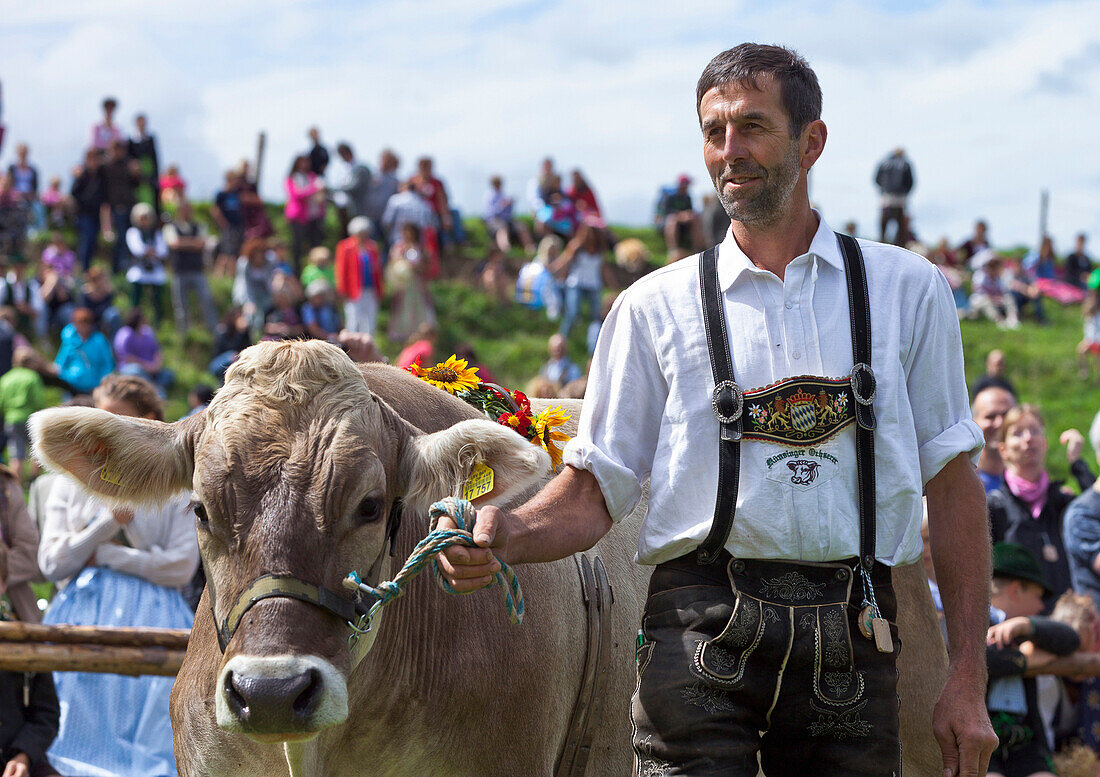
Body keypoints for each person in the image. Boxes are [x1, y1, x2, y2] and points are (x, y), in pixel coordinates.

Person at [437, 43, 997, 777]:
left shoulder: (909, 290)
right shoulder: (650, 307)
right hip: (698, 628)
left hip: (853, 632)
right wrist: (506, 530)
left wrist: (967, 678)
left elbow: (952, 488)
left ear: (812, 140)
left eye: (753, 127)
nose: (729, 151)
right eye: (713, 131)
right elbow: (595, 487)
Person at [38, 374, 198, 777]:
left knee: (154, 721)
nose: (99, 431)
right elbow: (53, 563)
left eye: (114, 420)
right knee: (75, 712)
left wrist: (109, 555)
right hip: (82, 613)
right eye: (97, 416)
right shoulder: (66, 483)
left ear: (145, 422)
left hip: (157, 616)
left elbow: (180, 565)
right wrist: (107, 522)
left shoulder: (179, 486)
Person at [986, 542, 1078, 777]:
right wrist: (1024, 660)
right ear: (1016, 590)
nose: (1041, 606)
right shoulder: (974, 622)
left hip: (1026, 745)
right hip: (983, 741)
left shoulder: (1028, 628)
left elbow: (1070, 639)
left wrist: (1028, 625)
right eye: (1038, 596)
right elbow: (986, 660)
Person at [988, 405, 1075, 610]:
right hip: (1014, 623)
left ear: (1045, 443)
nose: (1028, 438)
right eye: (1018, 433)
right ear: (1003, 449)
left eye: (1035, 431)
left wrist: (1077, 465)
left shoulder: (1062, 502)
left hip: (1064, 622)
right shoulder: (993, 507)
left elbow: (1093, 516)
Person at [0, 487, 61, 777]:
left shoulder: (24, 641)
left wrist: (24, 755)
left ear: (3, 585)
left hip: (17, 760)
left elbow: (46, 713)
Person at [163, 199, 217, 332]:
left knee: (207, 300)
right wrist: (193, 243)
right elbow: (174, 244)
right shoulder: (171, 227)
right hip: (179, 271)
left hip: (197, 270)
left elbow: (202, 243)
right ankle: (184, 333)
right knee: (181, 306)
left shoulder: (198, 226)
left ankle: (214, 330)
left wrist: (184, 243)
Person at [552, 222, 608, 341]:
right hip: (576, 283)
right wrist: (552, 270)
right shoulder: (576, 247)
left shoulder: (600, 250)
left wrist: (614, 286)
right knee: (572, 313)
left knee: (596, 317)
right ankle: (562, 340)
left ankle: (595, 341)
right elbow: (564, 261)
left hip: (593, 285)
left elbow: (604, 269)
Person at [0, 347, 45, 484]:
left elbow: (1, 402)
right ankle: (34, 481)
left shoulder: (6, 378)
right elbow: (38, 400)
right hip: (30, 419)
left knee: (16, 453)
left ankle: (17, 484)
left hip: (11, 419)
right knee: (36, 449)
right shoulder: (32, 377)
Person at [385, 222, 436, 343]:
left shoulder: (421, 248)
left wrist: (417, 267)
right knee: (403, 309)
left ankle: (421, 334)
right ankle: (403, 337)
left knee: (421, 308)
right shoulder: (399, 247)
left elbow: (427, 265)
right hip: (404, 284)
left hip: (418, 283)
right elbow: (393, 262)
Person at [334, 217, 384, 335]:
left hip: (370, 290)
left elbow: (378, 270)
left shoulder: (372, 247)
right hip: (353, 291)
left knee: (370, 321)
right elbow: (341, 269)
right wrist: (342, 290)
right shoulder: (345, 246)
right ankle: (351, 350)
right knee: (353, 321)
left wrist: (380, 289)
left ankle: (368, 348)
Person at [50, 307, 114, 395]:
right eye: (79, 323)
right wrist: (68, 376)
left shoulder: (99, 340)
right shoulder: (70, 341)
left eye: (86, 323)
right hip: (72, 386)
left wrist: (102, 380)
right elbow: (60, 362)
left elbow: (108, 363)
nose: (83, 327)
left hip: (94, 387)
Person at [124, 202, 168, 325]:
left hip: (155, 271)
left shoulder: (156, 233)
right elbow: (137, 249)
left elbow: (163, 251)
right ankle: (133, 323)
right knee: (136, 301)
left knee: (157, 301)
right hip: (139, 270)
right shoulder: (133, 232)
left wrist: (149, 251)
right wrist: (150, 251)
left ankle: (158, 324)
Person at [101, 139, 140, 275]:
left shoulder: (128, 165)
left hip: (130, 206)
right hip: (116, 207)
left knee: (131, 237)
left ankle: (128, 266)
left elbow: (135, 184)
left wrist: (135, 174)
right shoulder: (106, 167)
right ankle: (118, 269)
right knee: (121, 238)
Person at [113, 308, 174, 396]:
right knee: (136, 371)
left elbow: (157, 350)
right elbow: (127, 358)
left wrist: (157, 365)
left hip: (151, 369)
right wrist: (146, 366)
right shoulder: (125, 334)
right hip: (134, 368)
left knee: (168, 375)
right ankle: (155, 391)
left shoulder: (148, 332)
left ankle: (152, 387)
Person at [284, 154, 326, 274]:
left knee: (315, 247)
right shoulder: (292, 178)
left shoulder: (312, 176)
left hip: (314, 218)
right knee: (298, 248)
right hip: (298, 218)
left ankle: (314, 273)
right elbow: (297, 195)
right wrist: (313, 189)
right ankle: (297, 274)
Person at [973, 385, 1017, 494]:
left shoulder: (1033, 487)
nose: (999, 423)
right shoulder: (960, 480)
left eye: (1006, 415)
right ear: (973, 422)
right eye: (990, 416)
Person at [70, 148, 106, 272]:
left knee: (92, 244)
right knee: (86, 242)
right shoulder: (82, 175)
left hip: (96, 215)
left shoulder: (101, 175)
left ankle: (87, 269)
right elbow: (74, 193)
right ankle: (83, 270)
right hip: (83, 214)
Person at [873, 148, 914, 246]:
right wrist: (905, 193)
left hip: (886, 196)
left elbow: (876, 179)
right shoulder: (905, 164)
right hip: (900, 197)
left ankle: (882, 240)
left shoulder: (884, 163)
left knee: (884, 219)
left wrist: (883, 189)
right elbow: (910, 181)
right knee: (900, 220)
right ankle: (900, 243)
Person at [483, 175, 534, 254]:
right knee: (502, 228)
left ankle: (529, 249)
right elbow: (491, 213)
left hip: (507, 220)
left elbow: (509, 212)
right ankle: (506, 250)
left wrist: (510, 204)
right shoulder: (489, 196)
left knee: (522, 227)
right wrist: (502, 205)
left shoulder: (502, 194)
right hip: (494, 221)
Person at [332, 142, 371, 230]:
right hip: (343, 207)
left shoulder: (360, 168)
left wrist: (342, 188)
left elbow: (355, 187)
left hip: (357, 207)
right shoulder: (343, 168)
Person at [128, 113, 160, 217]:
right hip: (137, 181)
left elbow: (155, 159)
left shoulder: (150, 139)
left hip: (150, 179)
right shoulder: (131, 140)